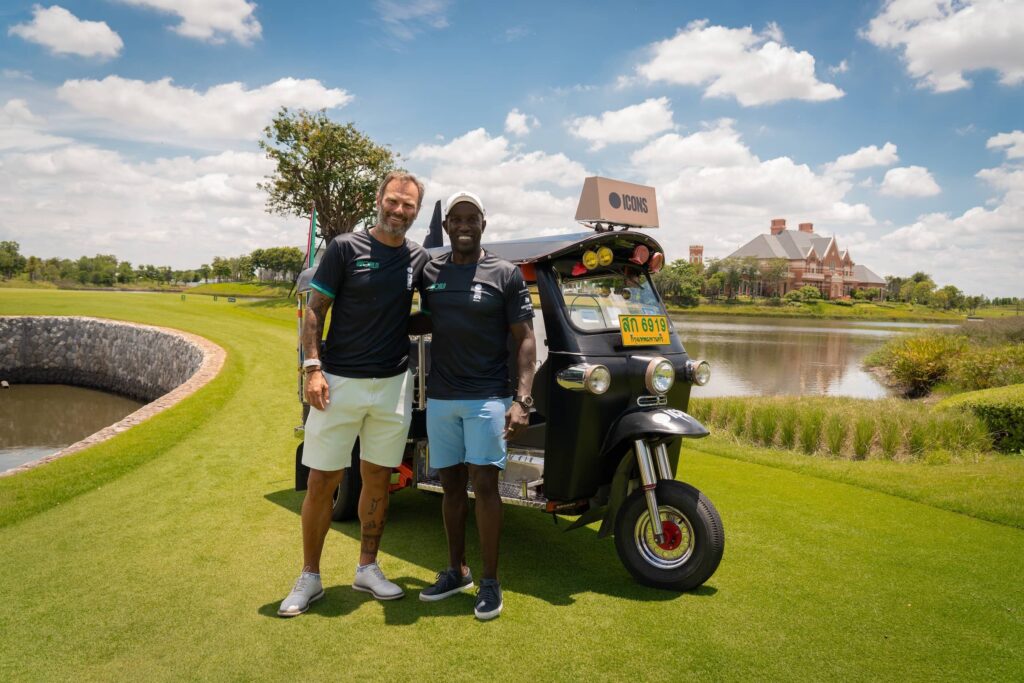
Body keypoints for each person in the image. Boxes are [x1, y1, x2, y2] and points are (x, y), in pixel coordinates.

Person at [278, 171, 429, 617]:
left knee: (378, 479)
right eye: (394, 201)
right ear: (378, 200)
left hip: (393, 386)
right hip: (337, 383)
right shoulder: (345, 247)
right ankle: (310, 576)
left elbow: (424, 312)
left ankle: (367, 568)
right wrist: (312, 369)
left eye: (409, 206)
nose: (399, 210)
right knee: (323, 480)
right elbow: (314, 312)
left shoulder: (416, 258)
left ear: (416, 212)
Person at [416, 190, 536, 620]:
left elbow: (524, 338)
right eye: (456, 219)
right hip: (442, 397)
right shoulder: (430, 272)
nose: (464, 226)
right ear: (446, 226)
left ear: (483, 223)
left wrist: (522, 399)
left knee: (484, 488)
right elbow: (429, 319)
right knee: (449, 489)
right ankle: (456, 571)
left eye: (472, 218)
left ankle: (490, 583)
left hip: (487, 397)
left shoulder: (504, 273)